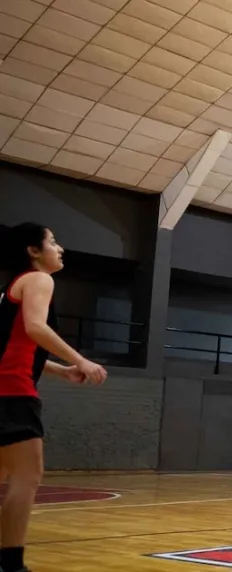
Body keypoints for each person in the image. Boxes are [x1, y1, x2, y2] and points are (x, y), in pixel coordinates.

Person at [1, 223, 108, 572]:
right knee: (27, 477)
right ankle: (11, 564)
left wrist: (62, 371)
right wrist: (81, 359)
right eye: (53, 241)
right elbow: (35, 327)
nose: (60, 248)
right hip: (12, 392)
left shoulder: (9, 289)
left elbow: (18, 344)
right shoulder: (39, 280)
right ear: (33, 250)